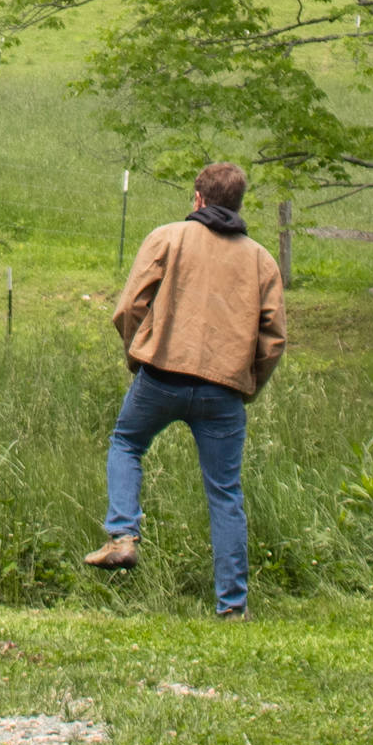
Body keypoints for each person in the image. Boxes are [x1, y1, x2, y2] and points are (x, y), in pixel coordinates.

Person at [84, 160, 288, 616]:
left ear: (198, 199)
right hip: (224, 392)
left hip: (161, 376)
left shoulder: (168, 238)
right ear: (237, 203)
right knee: (225, 493)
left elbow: (129, 307)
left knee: (126, 442)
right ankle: (232, 606)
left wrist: (137, 354)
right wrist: (245, 383)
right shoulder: (261, 260)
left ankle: (122, 535)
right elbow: (273, 339)